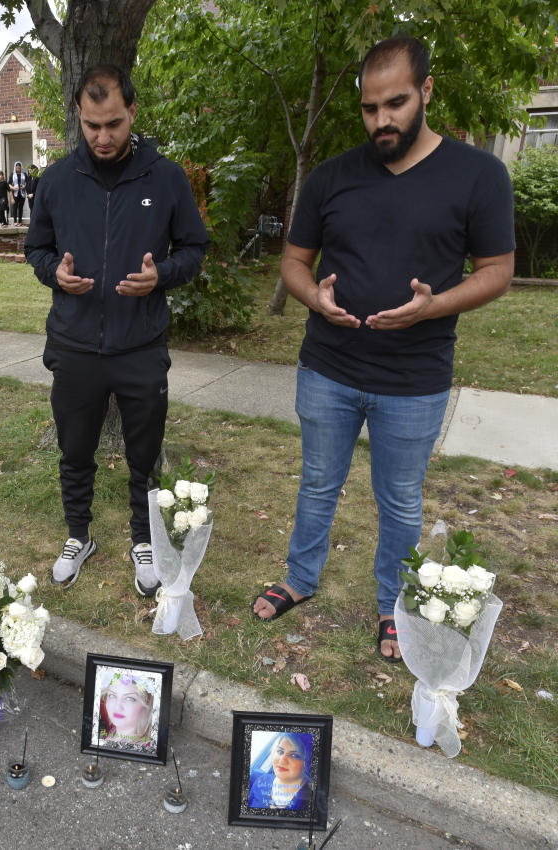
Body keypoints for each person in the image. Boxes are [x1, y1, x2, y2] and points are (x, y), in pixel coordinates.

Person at [250, 36, 515, 663]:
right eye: (370, 108)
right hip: (329, 367)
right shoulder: (331, 177)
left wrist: (434, 305)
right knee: (317, 483)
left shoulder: (479, 175)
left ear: (426, 91)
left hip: (416, 377)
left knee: (400, 499)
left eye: (395, 103)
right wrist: (314, 297)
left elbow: (498, 269)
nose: (382, 121)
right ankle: (300, 579)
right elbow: (293, 262)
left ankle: (393, 603)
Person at [25, 64, 210, 596]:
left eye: (112, 124)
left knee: (143, 452)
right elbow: (35, 249)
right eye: (91, 126)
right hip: (75, 343)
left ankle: (142, 537)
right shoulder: (58, 180)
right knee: (75, 449)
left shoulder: (166, 177)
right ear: (79, 120)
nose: (103, 137)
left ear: (132, 113)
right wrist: (53, 273)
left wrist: (161, 278)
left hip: (140, 344)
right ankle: (78, 535)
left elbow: (195, 248)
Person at [247, 733, 312, 810]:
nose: (282, 760)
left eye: (294, 755)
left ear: (307, 762)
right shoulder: (261, 781)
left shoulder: (310, 796)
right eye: (280, 751)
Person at [98, 671, 155, 747]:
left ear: (146, 704)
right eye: (112, 696)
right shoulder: (113, 731)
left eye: (129, 699)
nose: (117, 707)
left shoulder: (146, 748)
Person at [9, 160, 27, 225]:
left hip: (22, 194)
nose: (18, 169)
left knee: (20, 208)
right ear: (15, 168)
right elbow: (9, 184)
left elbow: (27, 183)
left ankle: (20, 221)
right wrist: (13, 187)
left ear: (21, 167)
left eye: (19, 168)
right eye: (17, 168)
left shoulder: (24, 174)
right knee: (14, 207)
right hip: (15, 193)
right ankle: (15, 221)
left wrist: (24, 186)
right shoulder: (12, 174)